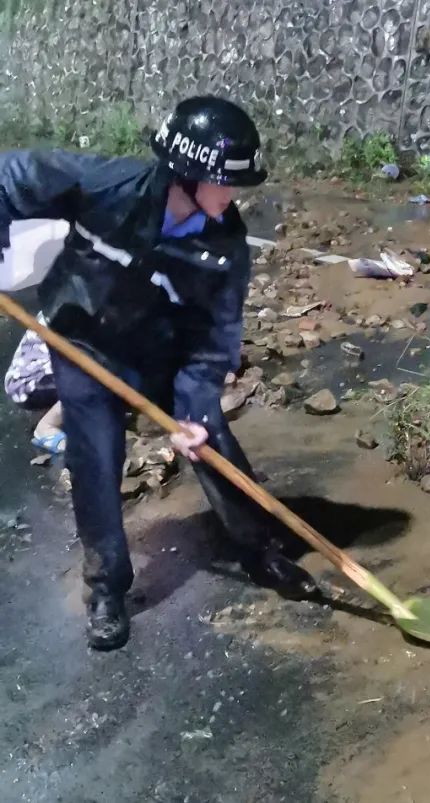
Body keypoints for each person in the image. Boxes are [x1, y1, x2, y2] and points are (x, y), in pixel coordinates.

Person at [0, 96, 319, 651]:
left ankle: (258, 550)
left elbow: (214, 335)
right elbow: (10, 176)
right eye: (224, 182)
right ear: (185, 173)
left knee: (211, 442)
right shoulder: (107, 188)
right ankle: (106, 589)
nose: (232, 196)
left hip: (162, 352)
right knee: (95, 461)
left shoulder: (224, 246)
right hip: (85, 344)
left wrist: (193, 409)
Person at [5, 321, 66, 452]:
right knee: (91, 381)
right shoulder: (77, 307)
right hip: (28, 382)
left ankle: (62, 409)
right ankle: (47, 426)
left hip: (39, 375)